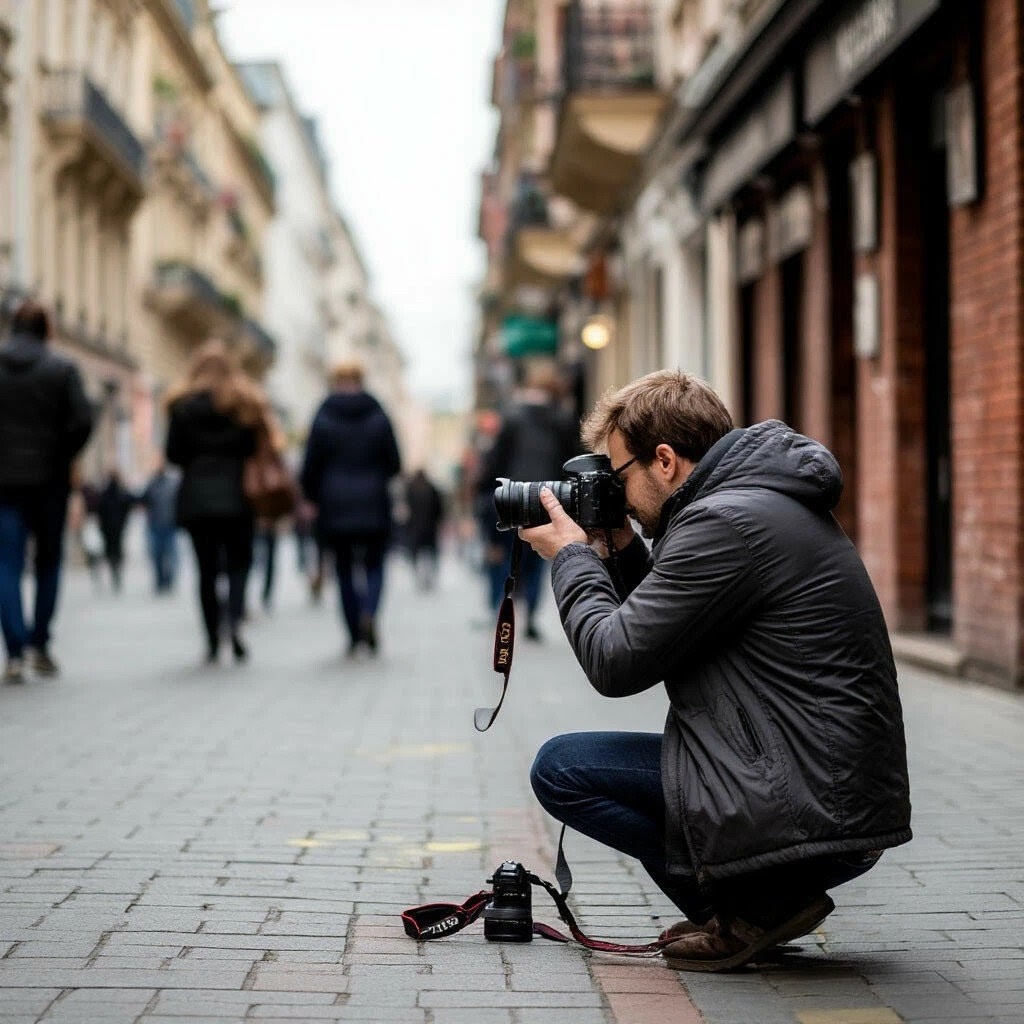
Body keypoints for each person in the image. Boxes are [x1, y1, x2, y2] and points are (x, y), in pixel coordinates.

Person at [520, 370, 912, 973]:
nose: (615, 492)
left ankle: (757, 908)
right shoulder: (750, 505)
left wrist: (571, 556)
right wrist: (620, 547)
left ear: (666, 460)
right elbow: (664, 630)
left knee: (564, 769)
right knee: (588, 763)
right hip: (822, 791)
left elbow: (616, 661)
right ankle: (746, 908)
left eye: (618, 475)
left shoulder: (722, 524)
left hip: (805, 805)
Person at [0, 301, 94, 682]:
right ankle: (40, 643)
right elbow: (84, 420)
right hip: (50, 482)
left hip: (3, 483)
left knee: (6, 563)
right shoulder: (63, 368)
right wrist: (62, 454)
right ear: (47, 330)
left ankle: (15, 651)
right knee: (48, 562)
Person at [166, 339, 273, 664]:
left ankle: (212, 640)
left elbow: (173, 455)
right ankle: (234, 623)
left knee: (206, 571)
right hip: (238, 498)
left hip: (197, 499)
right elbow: (258, 451)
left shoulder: (182, 405)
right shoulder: (243, 405)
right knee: (240, 565)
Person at [301, 360, 401, 656]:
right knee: (374, 564)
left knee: (343, 568)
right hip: (373, 501)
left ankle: (354, 631)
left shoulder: (323, 415)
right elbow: (395, 463)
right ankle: (369, 610)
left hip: (335, 503)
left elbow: (310, 466)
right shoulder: (379, 415)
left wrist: (311, 497)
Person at [480, 361, 579, 640]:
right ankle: (532, 615)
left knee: (507, 559)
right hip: (548, 499)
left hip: (512, 499)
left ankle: (503, 611)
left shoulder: (511, 418)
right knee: (538, 561)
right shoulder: (562, 420)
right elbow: (570, 462)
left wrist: (487, 491)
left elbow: (495, 463)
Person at [140, 459, 180, 594]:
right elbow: (143, 500)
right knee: (157, 555)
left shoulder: (173, 484)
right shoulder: (151, 484)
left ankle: (168, 581)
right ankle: (160, 581)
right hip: (155, 525)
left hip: (170, 526)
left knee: (171, 556)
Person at [403, 469, 445, 591]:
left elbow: (407, 508)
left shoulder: (411, 489)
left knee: (417, 554)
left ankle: (420, 577)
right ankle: (429, 577)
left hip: (416, 528)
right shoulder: (432, 488)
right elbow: (439, 508)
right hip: (430, 527)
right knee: (431, 554)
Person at [95, 469, 134, 592]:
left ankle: (114, 572)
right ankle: (115, 573)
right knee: (116, 551)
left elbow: (99, 511)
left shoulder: (105, 493)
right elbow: (128, 505)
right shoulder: (120, 493)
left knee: (111, 551)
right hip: (117, 529)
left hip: (108, 529)